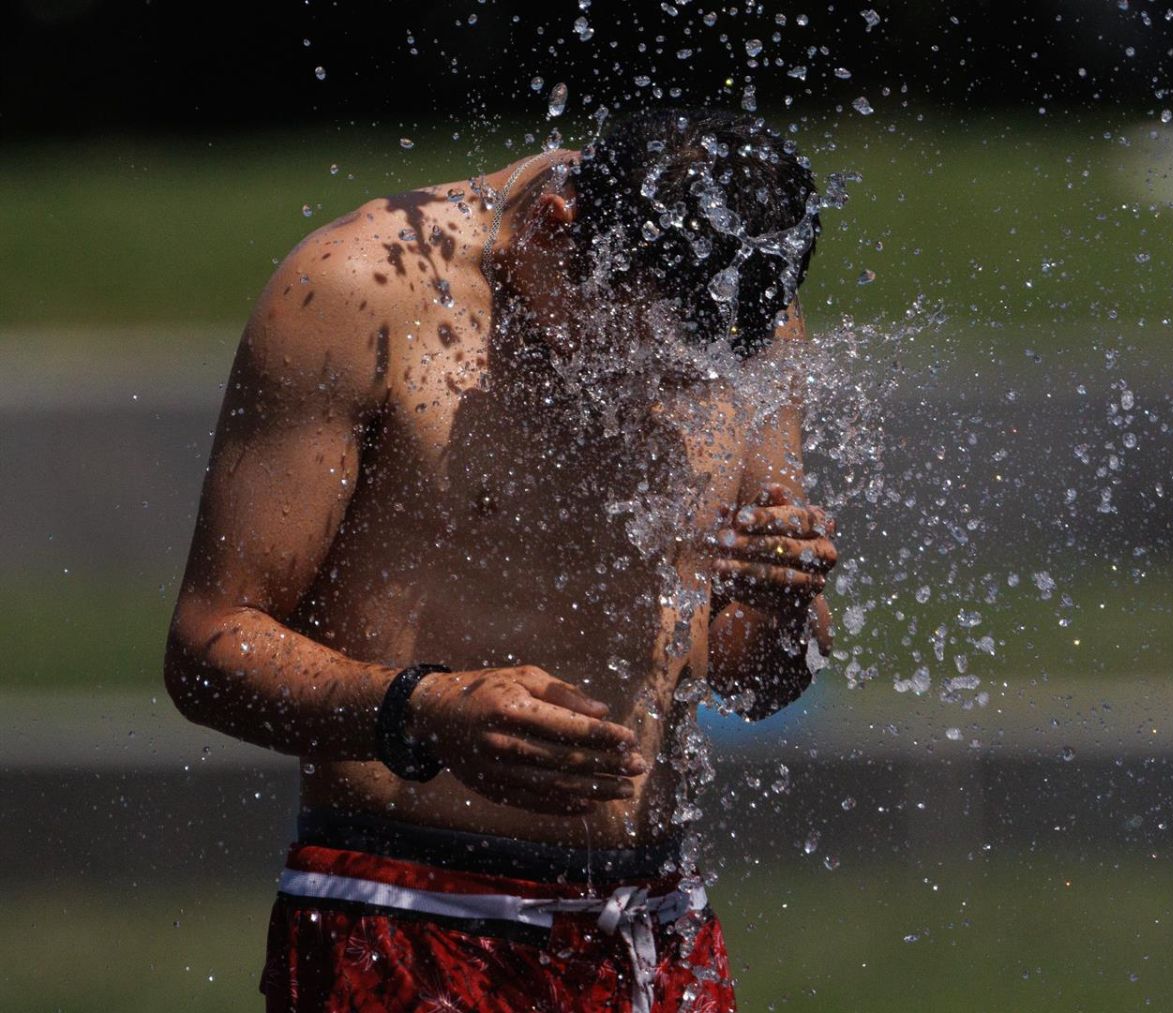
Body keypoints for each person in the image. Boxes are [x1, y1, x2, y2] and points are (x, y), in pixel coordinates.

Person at [164, 108, 837, 1013]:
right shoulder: (360, 290)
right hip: (406, 912)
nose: (657, 386)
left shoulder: (729, 305)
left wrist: (786, 606)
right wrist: (424, 709)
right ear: (557, 228)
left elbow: (754, 684)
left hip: (656, 927)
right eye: (631, 347)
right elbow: (208, 648)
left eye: (691, 372)